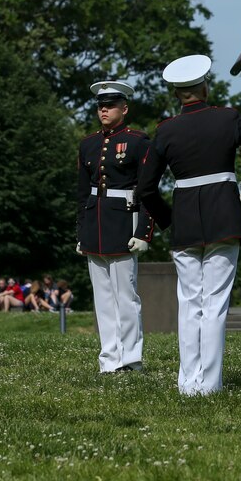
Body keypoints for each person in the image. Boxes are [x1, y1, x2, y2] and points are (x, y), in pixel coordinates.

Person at [136, 54, 241, 395]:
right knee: (215, 303)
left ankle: (187, 384)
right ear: (205, 85)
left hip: (185, 223)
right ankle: (209, 385)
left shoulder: (165, 130)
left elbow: (145, 188)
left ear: (177, 92)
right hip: (224, 217)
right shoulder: (228, 118)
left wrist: (167, 221)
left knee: (190, 304)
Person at [76, 81, 154, 373]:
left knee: (126, 297)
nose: (104, 110)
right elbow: (82, 192)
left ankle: (131, 358)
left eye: (110, 105)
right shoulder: (88, 143)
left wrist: (143, 232)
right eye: (100, 105)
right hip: (94, 222)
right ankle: (109, 360)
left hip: (123, 221)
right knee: (104, 299)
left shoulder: (138, 141)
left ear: (125, 107)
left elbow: (148, 191)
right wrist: (80, 230)